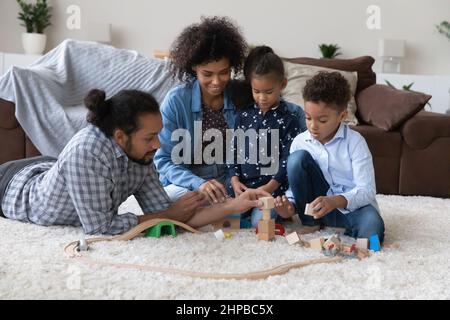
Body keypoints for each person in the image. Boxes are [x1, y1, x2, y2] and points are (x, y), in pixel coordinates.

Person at [0, 89, 270, 235]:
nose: (158, 145)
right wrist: (168, 214)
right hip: (12, 187)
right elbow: (100, 228)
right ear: (120, 136)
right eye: (150, 137)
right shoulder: (87, 152)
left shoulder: (140, 154)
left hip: (46, 168)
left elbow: (175, 218)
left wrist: (236, 203)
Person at [275, 72, 385, 242]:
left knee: (373, 228)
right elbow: (295, 185)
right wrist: (290, 207)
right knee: (296, 159)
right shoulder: (300, 142)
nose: (312, 126)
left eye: (322, 120)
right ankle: (311, 223)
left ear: (342, 116)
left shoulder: (356, 142)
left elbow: (367, 191)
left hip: (350, 208)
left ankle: (350, 231)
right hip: (316, 211)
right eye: (308, 117)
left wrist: (335, 201)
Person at [154, 16, 248, 204]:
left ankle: (223, 209)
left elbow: (282, 108)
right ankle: (223, 209)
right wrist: (198, 183)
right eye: (207, 74)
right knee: (168, 200)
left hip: (230, 178)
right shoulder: (176, 100)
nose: (216, 81)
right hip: (190, 181)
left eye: (224, 72)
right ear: (194, 68)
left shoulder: (240, 94)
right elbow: (164, 159)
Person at [227, 46, 306, 227]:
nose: (262, 97)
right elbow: (234, 149)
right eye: (257, 91)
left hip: (271, 188)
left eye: (268, 92)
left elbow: (287, 158)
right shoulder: (243, 114)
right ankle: (246, 209)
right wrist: (235, 179)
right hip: (242, 186)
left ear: (283, 84)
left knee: (258, 223)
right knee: (227, 218)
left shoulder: (290, 118)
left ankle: (280, 212)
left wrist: (269, 187)